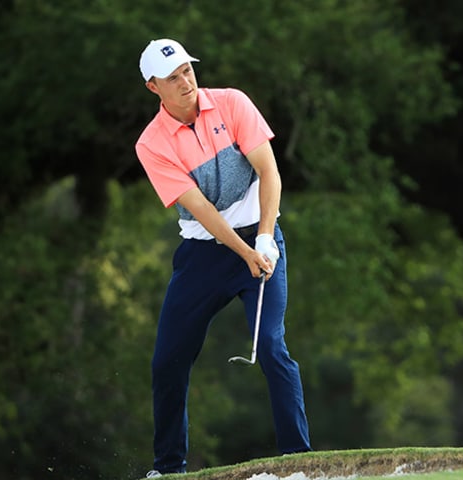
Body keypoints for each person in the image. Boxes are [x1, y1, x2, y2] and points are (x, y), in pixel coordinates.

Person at [134, 38, 311, 477]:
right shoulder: (152, 144)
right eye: (172, 78)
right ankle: (168, 466)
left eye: (188, 71)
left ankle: (299, 460)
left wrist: (265, 239)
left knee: (271, 346)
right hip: (203, 255)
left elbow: (269, 172)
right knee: (168, 360)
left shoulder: (232, 103)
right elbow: (202, 211)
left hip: (262, 239)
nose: (185, 82)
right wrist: (244, 252)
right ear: (153, 87)